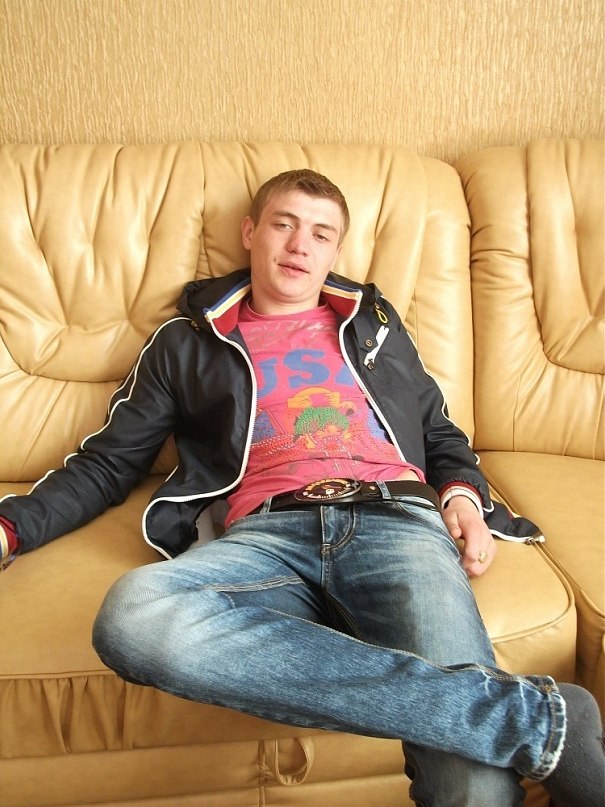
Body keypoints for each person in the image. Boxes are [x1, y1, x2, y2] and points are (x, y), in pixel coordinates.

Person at [0, 169, 602, 806]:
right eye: (283, 224)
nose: (299, 245)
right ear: (250, 233)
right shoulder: (186, 342)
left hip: (395, 521)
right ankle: (537, 720)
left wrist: (460, 496)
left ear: (335, 250)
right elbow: (107, 464)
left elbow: (438, 430)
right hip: (265, 536)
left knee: (468, 783)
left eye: (320, 233)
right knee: (133, 616)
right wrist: (11, 528)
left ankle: (506, 721)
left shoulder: (373, 325)